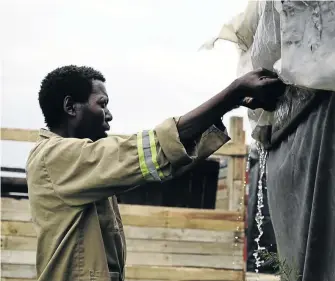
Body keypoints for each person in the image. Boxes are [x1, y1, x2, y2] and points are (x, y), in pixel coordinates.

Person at [26, 65, 285, 281]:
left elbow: (165, 160)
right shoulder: (56, 157)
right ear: (71, 107)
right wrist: (233, 92)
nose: (109, 115)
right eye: (102, 104)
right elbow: (154, 148)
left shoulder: (79, 165)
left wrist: (232, 103)